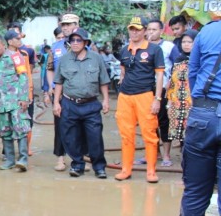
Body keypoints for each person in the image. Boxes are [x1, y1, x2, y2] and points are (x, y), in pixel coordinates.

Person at [179, 17, 220, 216]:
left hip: (202, 117)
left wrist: (202, 108)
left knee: (195, 189)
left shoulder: (207, 31)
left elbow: (192, 73)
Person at [52, 28, 110, 178]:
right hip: (69, 104)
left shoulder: (96, 58)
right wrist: (56, 103)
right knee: (71, 137)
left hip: (90, 104)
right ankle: (77, 165)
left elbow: (103, 81)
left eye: (79, 40)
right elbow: (59, 81)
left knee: (95, 136)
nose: (75, 43)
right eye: (72, 40)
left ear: (85, 42)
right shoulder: (64, 59)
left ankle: (99, 167)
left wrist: (106, 100)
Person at [114, 16, 164, 183]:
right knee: (126, 135)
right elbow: (123, 72)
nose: (134, 32)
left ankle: (151, 171)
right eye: (132, 29)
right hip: (125, 97)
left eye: (138, 29)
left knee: (149, 134)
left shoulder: (154, 50)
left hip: (145, 96)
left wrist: (157, 99)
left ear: (144, 31)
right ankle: (126, 170)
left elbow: (159, 75)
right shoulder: (124, 50)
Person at [0, 34, 30, 171]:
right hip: (3, 104)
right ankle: (9, 160)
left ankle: (23, 160)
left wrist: (23, 98)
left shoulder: (15, 57)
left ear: (4, 45)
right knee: (5, 132)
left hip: (16, 102)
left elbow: (23, 77)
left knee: (21, 129)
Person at [46, 15, 80, 171]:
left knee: (80, 125)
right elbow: (50, 68)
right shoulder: (56, 47)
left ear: (76, 25)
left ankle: (79, 157)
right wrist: (51, 87)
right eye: (63, 25)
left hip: (80, 92)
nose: (65, 27)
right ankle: (60, 158)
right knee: (60, 126)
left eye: (68, 24)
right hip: (60, 93)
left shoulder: (85, 44)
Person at [144, 19, 175, 167]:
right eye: (149, 29)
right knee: (148, 122)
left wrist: (170, 87)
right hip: (144, 89)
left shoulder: (169, 47)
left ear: (161, 31)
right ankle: (152, 153)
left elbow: (178, 66)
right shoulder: (142, 46)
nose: (151, 32)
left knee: (163, 121)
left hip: (162, 88)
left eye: (154, 29)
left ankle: (166, 155)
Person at [5, 29, 35, 156]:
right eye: (17, 39)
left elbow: (25, 76)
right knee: (7, 125)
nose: (20, 41)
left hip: (21, 96)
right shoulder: (2, 55)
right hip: (7, 97)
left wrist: (28, 94)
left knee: (24, 123)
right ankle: (9, 154)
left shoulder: (22, 54)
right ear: (10, 41)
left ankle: (24, 152)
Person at [167, 30, 197, 144]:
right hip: (177, 103)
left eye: (190, 42)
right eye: (184, 41)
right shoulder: (178, 60)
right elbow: (172, 83)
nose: (186, 44)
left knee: (192, 133)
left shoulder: (199, 61)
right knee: (180, 135)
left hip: (192, 103)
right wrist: (169, 103)